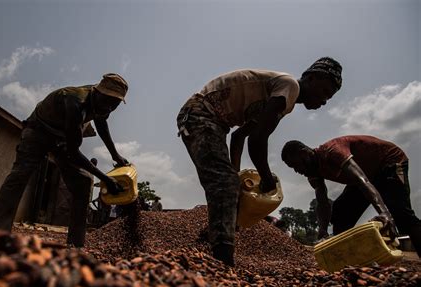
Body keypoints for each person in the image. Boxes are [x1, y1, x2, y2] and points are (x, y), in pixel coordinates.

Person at [177, 57, 342, 265]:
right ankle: (222, 260)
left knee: (228, 183)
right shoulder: (289, 86)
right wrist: (265, 177)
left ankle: (211, 239)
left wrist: (235, 179)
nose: (325, 100)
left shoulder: (278, 99)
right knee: (223, 182)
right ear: (312, 77)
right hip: (201, 113)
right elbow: (257, 140)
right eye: (326, 91)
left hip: (211, 120)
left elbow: (239, 137)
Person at [0, 73, 129, 247]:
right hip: (38, 132)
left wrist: (115, 155)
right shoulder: (75, 102)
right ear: (98, 91)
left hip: (60, 139)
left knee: (82, 182)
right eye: (108, 101)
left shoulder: (104, 105)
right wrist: (105, 178)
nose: (109, 108)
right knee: (20, 176)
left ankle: (76, 244)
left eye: (114, 104)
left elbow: (101, 125)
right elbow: (74, 152)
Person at [281, 135, 421, 257]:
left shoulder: (333, 151)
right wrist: (323, 230)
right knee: (340, 213)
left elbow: (363, 181)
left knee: (401, 214)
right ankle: (349, 259)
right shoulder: (312, 172)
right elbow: (322, 201)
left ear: (304, 153)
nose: (296, 171)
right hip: (365, 176)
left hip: (388, 162)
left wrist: (384, 213)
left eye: (295, 165)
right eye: (292, 168)